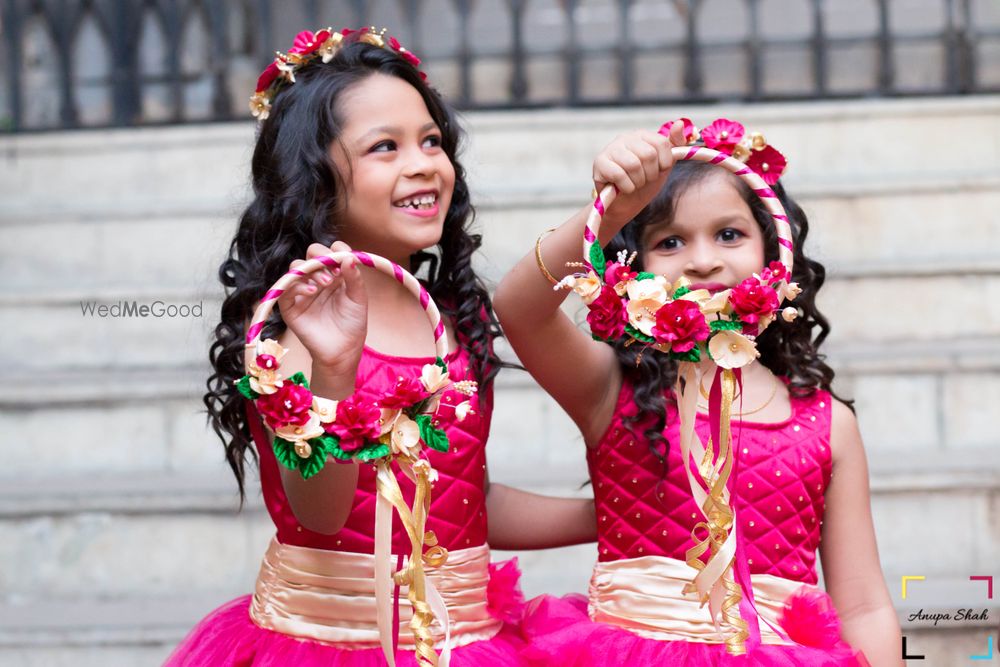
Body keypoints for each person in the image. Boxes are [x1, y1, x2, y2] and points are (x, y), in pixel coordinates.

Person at [166, 26, 594, 667]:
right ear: (312, 180)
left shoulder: (449, 317)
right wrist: (337, 373)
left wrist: (608, 514)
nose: (422, 162)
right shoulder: (292, 334)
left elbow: (464, 496)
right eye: (384, 148)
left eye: (431, 141)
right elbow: (322, 514)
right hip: (337, 646)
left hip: (467, 640)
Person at [494, 119, 901, 665]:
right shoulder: (609, 388)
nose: (704, 260)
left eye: (729, 234)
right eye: (670, 241)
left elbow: (865, 607)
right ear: (633, 267)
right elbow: (520, 308)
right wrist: (610, 210)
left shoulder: (827, 423)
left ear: (774, 249)